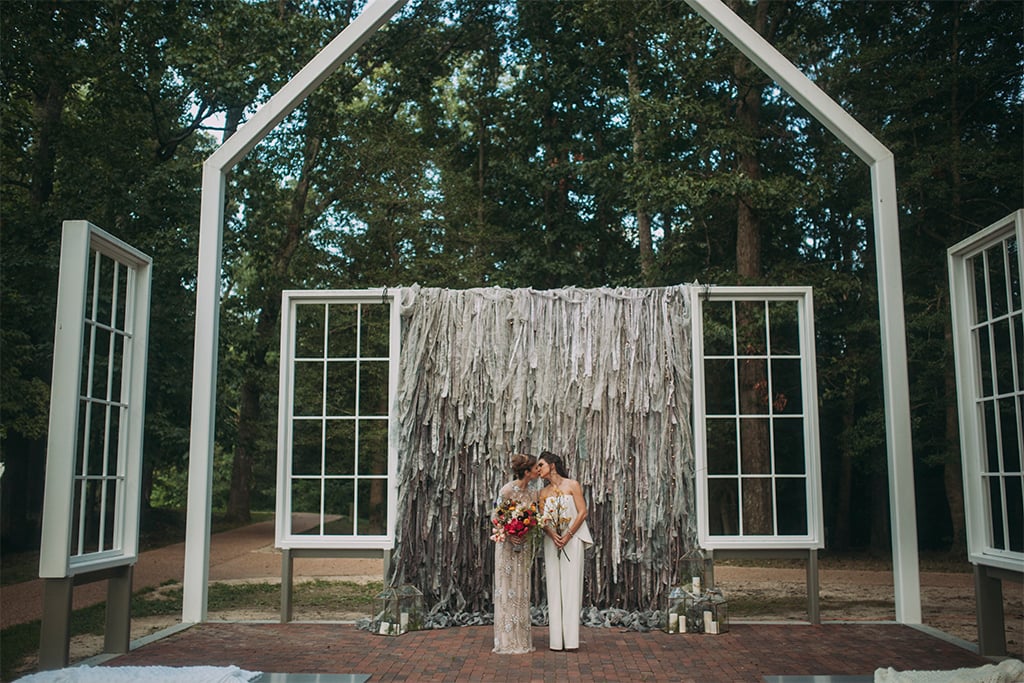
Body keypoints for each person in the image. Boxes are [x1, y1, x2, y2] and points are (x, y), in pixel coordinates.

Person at [537, 451, 592, 652]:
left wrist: (567, 535)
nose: (538, 469)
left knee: (571, 586)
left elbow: (582, 512)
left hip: (572, 540)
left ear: (552, 465)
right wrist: (552, 534)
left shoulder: (572, 485)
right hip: (553, 542)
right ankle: (555, 641)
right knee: (553, 586)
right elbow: (542, 520)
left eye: (541, 465)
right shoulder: (542, 493)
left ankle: (570, 640)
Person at [492, 453, 541, 654]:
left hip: (524, 544)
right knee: (507, 588)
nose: (539, 470)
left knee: (521, 589)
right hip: (507, 546)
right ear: (527, 472)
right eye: (535, 468)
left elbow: (534, 517)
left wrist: (526, 530)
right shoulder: (507, 490)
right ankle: (505, 639)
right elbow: (496, 517)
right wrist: (509, 532)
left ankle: (520, 638)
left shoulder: (533, 493)